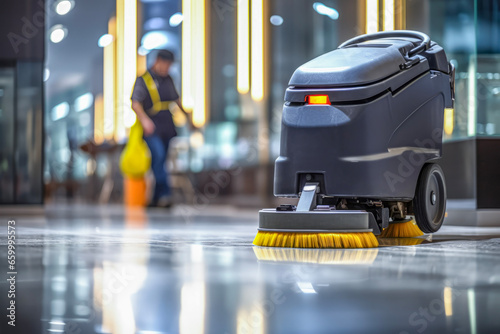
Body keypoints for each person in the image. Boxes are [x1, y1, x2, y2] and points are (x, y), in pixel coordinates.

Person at [131, 49, 193, 208]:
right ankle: (165, 194)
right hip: (151, 128)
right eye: (166, 64)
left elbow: (176, 100)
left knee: (161, 161)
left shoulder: (169, 79)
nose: (167, 68)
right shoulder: (144, 79)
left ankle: (155, 199)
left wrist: (188, 118)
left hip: (167, 126)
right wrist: (145, 121)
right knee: (158, 156)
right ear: (158, 61)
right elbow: (136, 103)